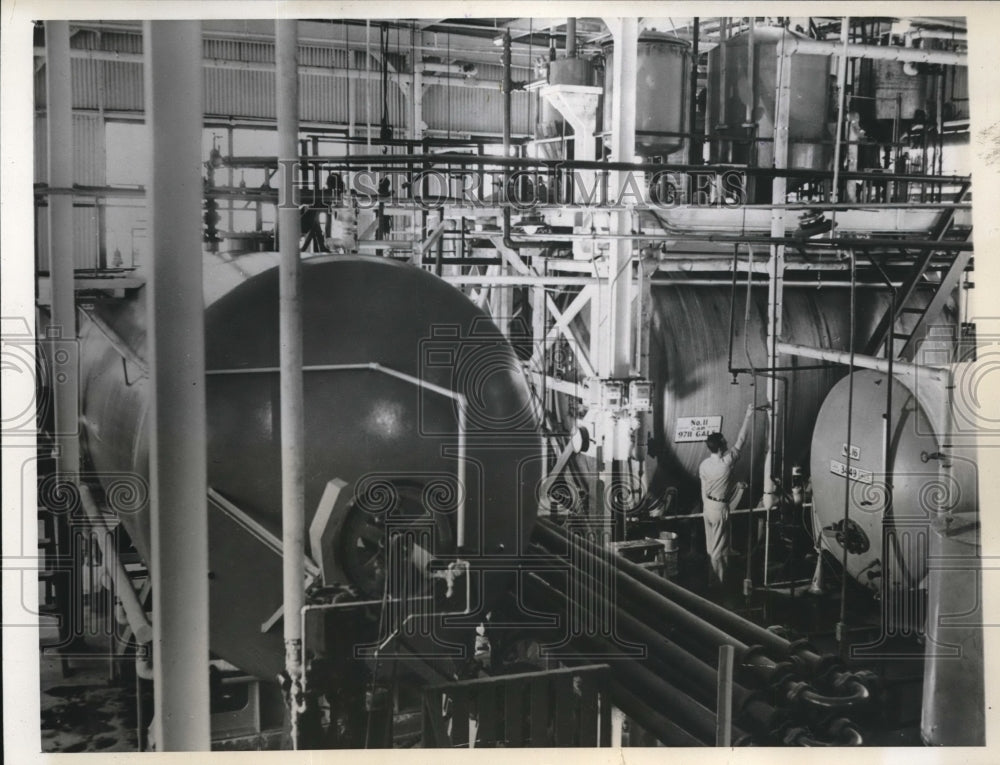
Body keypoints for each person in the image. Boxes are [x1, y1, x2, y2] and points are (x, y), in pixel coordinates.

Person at [698, 402, 756, 587]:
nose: (727, 442)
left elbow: (703, 489)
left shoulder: (704, 465)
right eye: (724, 441)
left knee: (710, 548)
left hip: (707, 507)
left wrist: (706, 507)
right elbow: (741, 440)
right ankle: (718, 586)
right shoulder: (726, 463)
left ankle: (710, 580)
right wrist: (748, 416)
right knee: (719, 549)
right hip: (720, 508)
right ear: (721, 445)